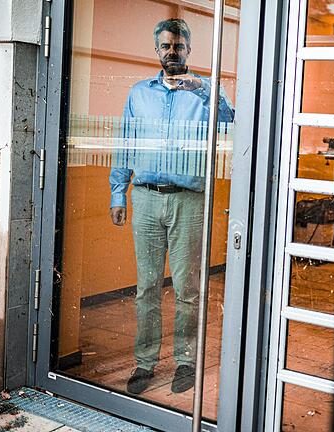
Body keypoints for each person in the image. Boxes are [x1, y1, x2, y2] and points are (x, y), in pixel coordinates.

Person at [108, 18, 234, 395]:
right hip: (145, 198)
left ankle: (186, 360)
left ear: (189, 49)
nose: (172, 52)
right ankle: (145, 363)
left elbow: (233, 122)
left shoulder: (204, 92)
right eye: (165, 46)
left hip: (188, 202)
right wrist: (119, 192)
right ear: (157, 50)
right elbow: (125, 142)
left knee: (188, 288)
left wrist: (206, 92)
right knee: (146, 287)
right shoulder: (139, 93)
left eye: (178, 46)